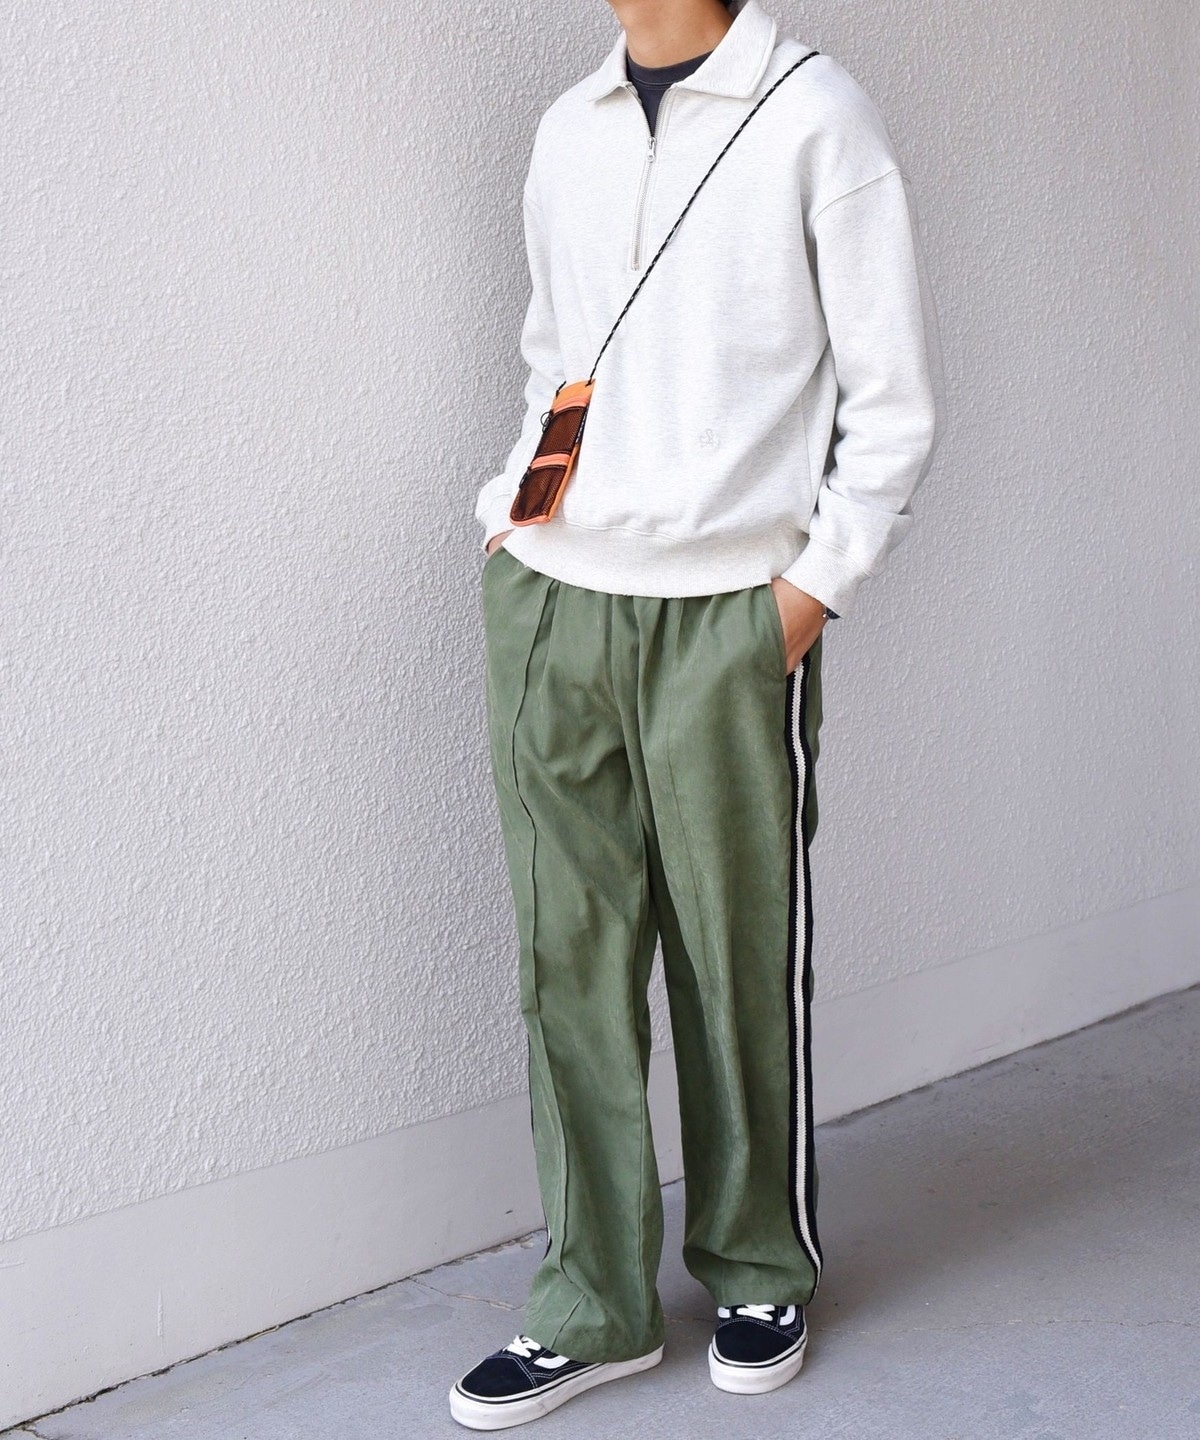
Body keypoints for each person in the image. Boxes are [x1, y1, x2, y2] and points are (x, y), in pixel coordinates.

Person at [451, 0, 945, 1428]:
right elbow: (555, 356)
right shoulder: (568, 129)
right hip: (557, 607)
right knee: (568, 963)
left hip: (729, 617)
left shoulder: (817, 116)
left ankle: (756, 1265)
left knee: (737, 956)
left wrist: (806, 595)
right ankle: (591, 1299)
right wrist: (514, 530)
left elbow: (893, 401)